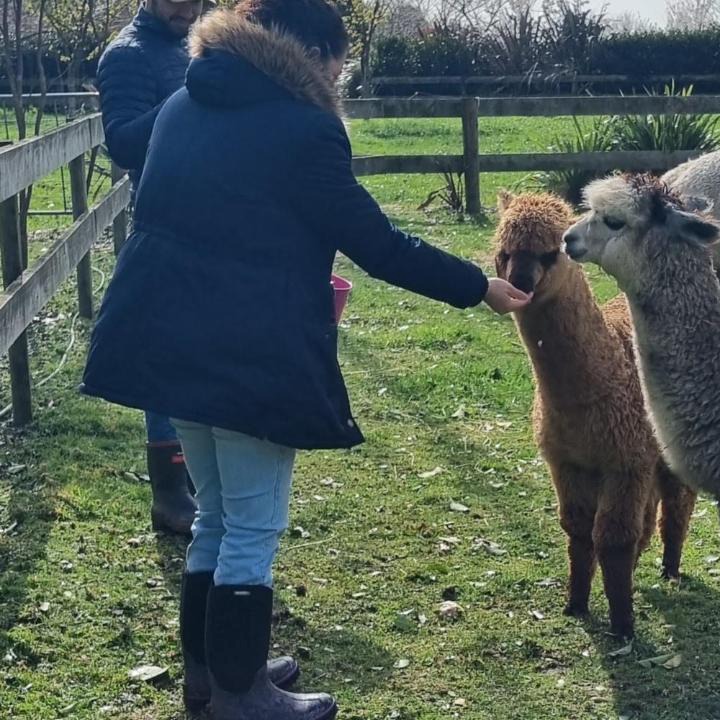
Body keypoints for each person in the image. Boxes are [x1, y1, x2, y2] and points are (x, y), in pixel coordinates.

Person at [80, 0, 531, 717]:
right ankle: (242, 695)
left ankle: (213, 676)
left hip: (165, 345)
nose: (341, 78)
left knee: (216, 519)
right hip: (247, 354)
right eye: (339, 64)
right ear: (312, 56)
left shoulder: (178, 109)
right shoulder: (305, 129)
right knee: (249, 527)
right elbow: (377, 243)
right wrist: (478, 286)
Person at [96, 0, 204, 535]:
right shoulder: (126, 55)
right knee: (168, 354)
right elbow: (120, 142)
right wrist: (192, 96)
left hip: (214, 218)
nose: (191, 8)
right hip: (163, 221)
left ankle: (203, 476)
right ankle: (168, 491)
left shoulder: (199, 43)